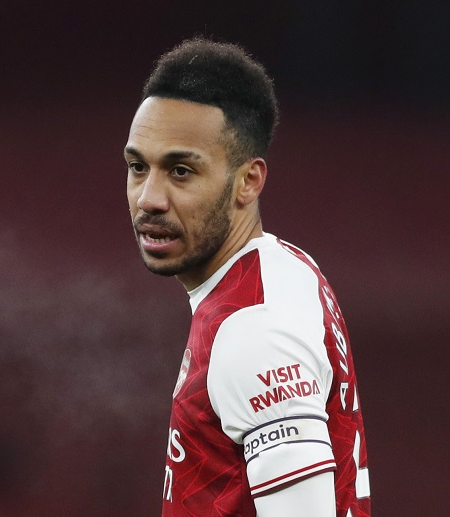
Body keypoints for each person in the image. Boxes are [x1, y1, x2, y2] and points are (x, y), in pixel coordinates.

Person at [124, 37, 371, 517]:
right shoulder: (285, 267)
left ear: (248, 181)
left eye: (180, 171)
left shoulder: (253, 327)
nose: (149, 198)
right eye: (138, 167)